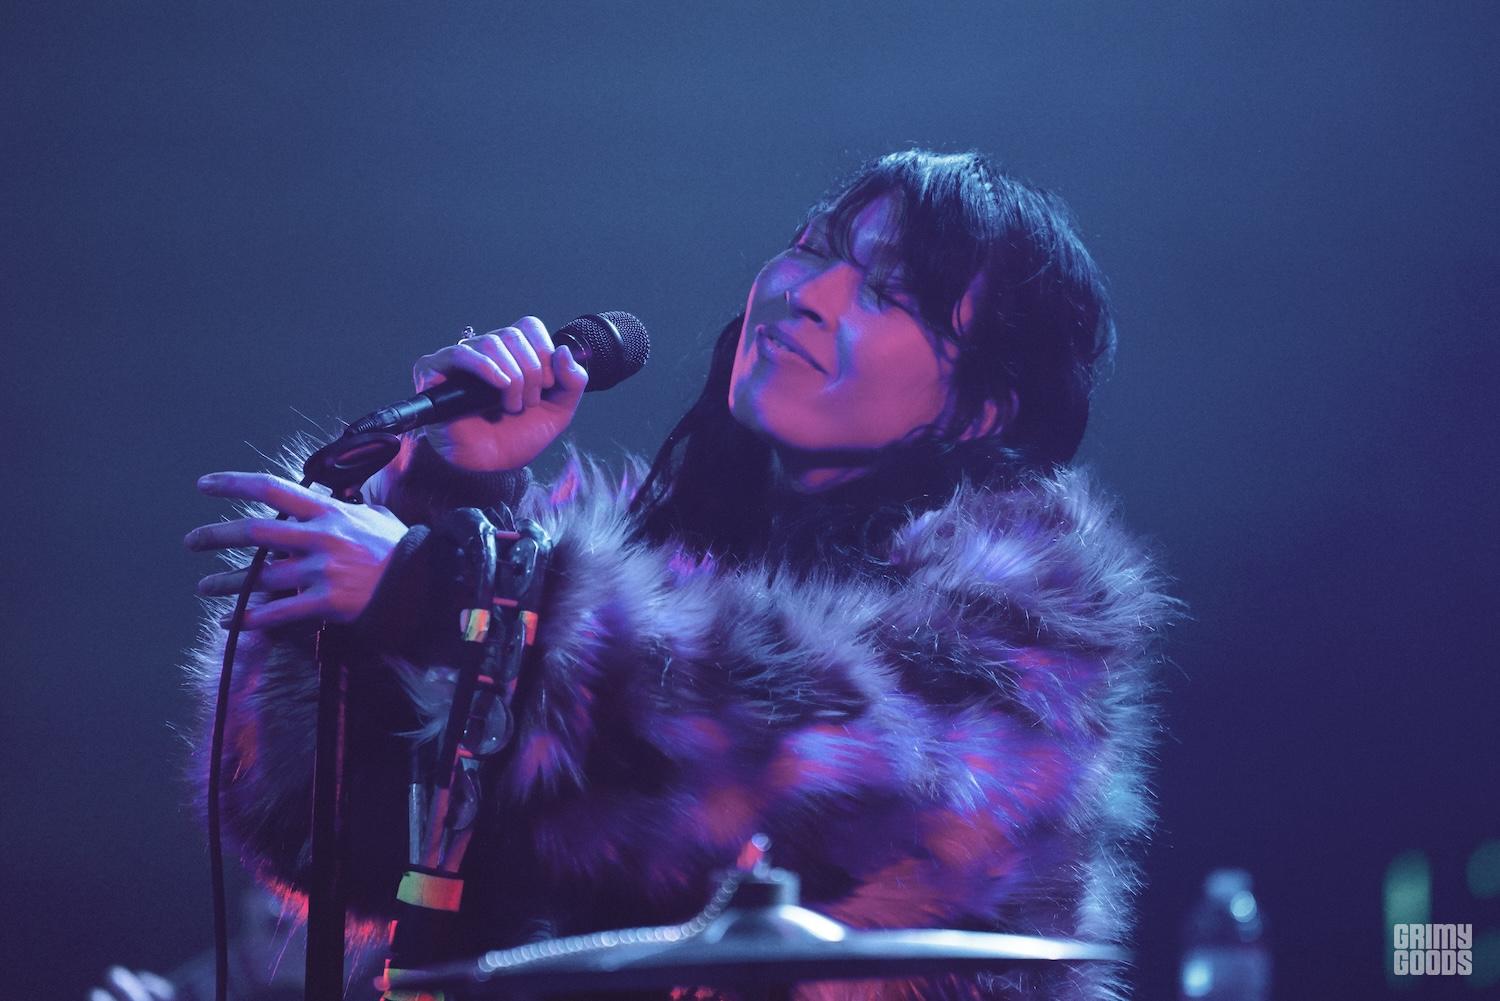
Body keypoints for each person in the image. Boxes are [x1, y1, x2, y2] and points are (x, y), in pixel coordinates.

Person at [184, 150, 1175, 1000]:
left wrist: (447, 591)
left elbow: (847, 769)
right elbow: (314, 836)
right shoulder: (641, 565)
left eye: (887, 291)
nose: (807, 290)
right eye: (815, 246)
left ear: (980, 408)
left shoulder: (1030, 606)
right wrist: (445, 493)